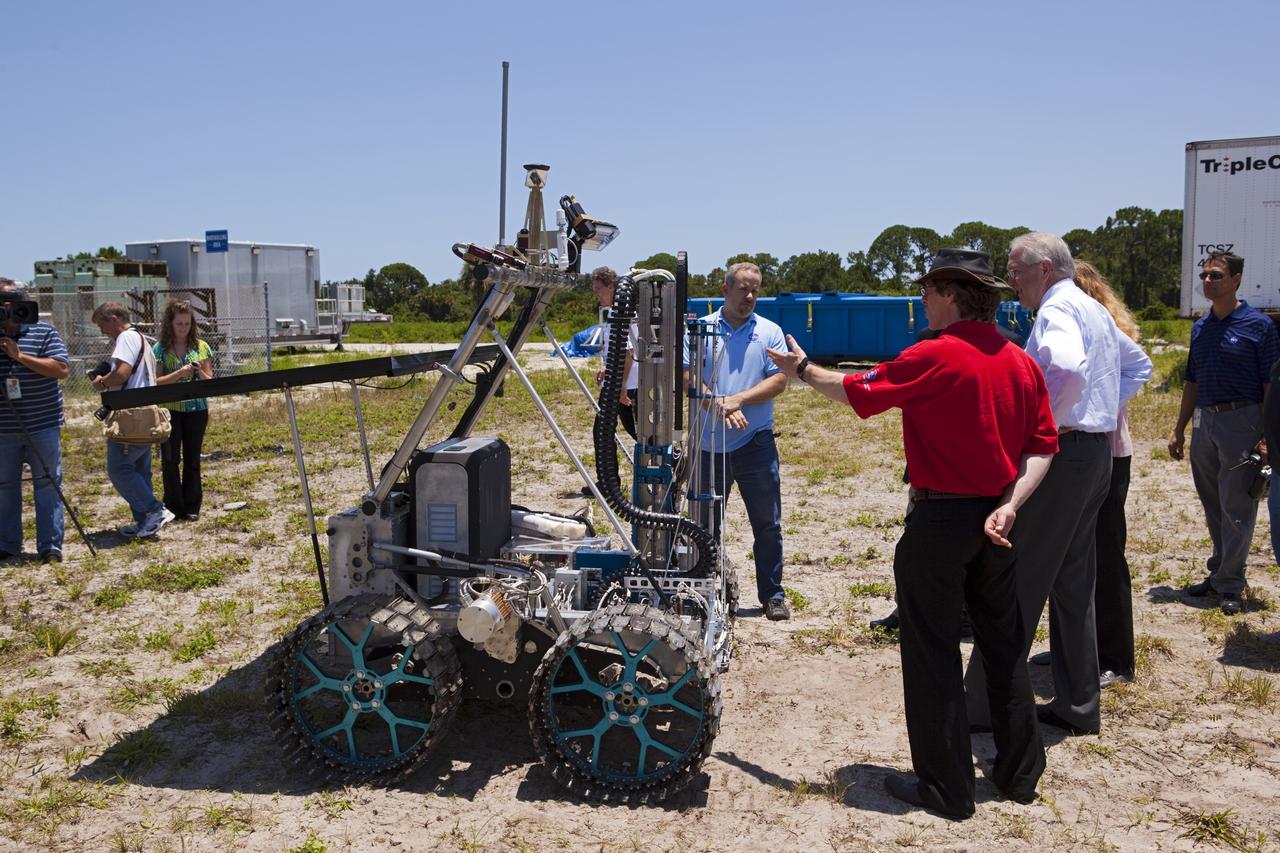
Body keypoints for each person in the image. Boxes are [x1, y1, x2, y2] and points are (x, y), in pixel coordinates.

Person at [768, 248, 1054, 820]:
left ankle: (947, 790)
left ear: (951, 294)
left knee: (932, 651)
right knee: (1003, 647)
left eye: (927, 291)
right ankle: (1020, 776)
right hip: (997, 520)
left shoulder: (935, 354)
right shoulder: (1020, 361)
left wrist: (799, 369)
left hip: (941, 522)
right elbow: (1043, 446)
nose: (921, 300)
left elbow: (856, 392)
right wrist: (1010, 506)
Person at [965, 232, 1151, 737]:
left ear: (1044, 269)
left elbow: (1067, 367)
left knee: (1019, 579)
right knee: (1074, 584)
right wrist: (1098, 410)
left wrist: (1043, 418)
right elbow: (1137, 364)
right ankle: (1078, 703)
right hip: (1094, 457)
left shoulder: (1057, 311)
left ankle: (981, 706)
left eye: (1016, 271)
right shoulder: (1089, 307)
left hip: (1064, 457)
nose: (1012, 282)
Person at [1168, 251, 1279, 615]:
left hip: (1241, 421)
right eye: (1204, 275)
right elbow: (1192, 381)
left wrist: (1266, 435)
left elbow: (1270, 386)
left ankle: (1231, 584)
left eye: (1215, 275)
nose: (1207, 281)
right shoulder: (1201, 327)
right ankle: (1220, 571)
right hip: (1206, 422)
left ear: (1236, 280)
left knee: (1237, 506)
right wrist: (1179, 429)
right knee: (1213, 502)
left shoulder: (1258, 326)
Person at [688, 262, 791, 620]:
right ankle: (704, 591)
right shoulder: (700, 330)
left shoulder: (769, 332)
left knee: (767, 522)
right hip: (708, 443)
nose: (749, 297)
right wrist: (715, 403)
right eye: (743, 289)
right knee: (704, 526)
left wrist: (738, 400)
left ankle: (772, 595)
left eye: (755, 290)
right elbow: (685, 374)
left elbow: (779, 380)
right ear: (725, 289)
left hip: (755, 443)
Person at [0, 278, 69, 563]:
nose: (6, 310)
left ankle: (50, 546)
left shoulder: (43, 331)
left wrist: (20, 356)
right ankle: (7, 544)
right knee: (5, 487)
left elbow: (61, 369)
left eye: (11, 302)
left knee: (47, 483)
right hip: (4, 430)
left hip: (42, 425)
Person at [90, 302, 173, 539]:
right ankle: (145, 522)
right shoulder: (140, 337)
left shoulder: (125, 338)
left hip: (131, 415)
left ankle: (154, 511)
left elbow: (122, 373)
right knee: (139, 469)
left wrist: (102, 382)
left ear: (114, 319)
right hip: (145, 411)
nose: (102, 331)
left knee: (119, 469)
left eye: (102, 324)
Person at [153, 300, 214, 521]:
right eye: (179, 323)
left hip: (197, 409)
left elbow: (210, 380)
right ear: (170, 323)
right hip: (170, 410)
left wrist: (198, 372)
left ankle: (192, 506)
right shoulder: (160, 349)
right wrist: (179, 373)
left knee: (192, 458)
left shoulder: (201, 346)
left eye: (187, 323)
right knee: (170, 459)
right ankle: (173, 505)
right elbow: (156, 381)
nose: (183, 328)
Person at [589, 266, 638, 441]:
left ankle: (676, 462)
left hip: (627, 384)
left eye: (598, 289)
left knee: (638, 433)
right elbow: (614, 349)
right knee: (604, 431)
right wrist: (605, 367)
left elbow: (628, 353)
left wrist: (622, 387)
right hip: (617, 382)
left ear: (611, 286)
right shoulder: (612, 312)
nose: (596, 294)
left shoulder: (625, 313)